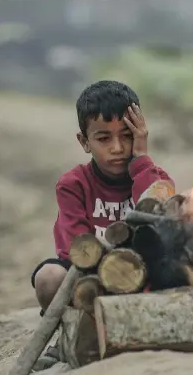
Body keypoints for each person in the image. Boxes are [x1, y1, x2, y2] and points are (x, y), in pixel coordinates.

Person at [30, 80, 174, 370]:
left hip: (140, 277)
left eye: (128, 136)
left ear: (140, 135)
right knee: (48, 277)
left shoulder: (155, 178)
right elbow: (76, 248)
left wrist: (142, 161)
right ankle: (69, 335)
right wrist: (107, 271)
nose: (118, 148)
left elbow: (165, 225)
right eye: (104, 138)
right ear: (85, 142)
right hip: (86, 279)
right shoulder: (73, 184)